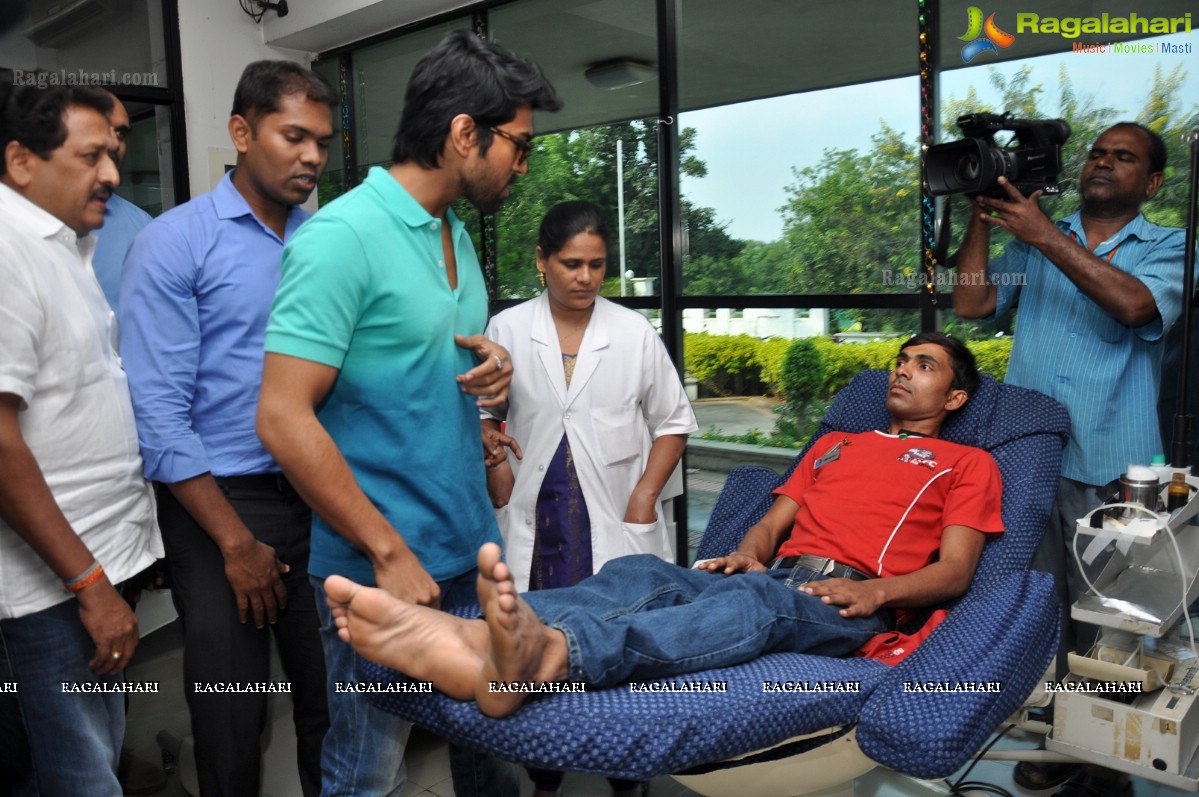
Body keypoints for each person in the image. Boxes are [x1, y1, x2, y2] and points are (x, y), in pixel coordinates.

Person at [322, 333, 1005, 720]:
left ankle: (553, 654)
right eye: (900, 359)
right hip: (772, 579)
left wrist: (878, 594)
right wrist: (744, 552)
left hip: (845, 600)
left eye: (924, 366)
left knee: (752, 603)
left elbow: (956, 570)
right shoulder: (836, 445)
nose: (901, 371)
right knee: (638, 572)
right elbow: (772, 522)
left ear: (953, 397)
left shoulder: (967, 462)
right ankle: (476, 632)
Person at [255, 29, 561, 797]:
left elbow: (418, 374)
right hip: (379, 569)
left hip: (470, 551)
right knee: (365, 774)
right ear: (464, 133)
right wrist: (388, 550)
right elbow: (283, 417)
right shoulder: (341, 238)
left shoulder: (454, 233)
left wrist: (492, 379)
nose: (521, 166)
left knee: (493, 755)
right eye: (516, 146)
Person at [951, 122, 1187, 795]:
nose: (1102, 162)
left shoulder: (1168, 246)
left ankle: (1099, 747)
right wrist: (981, 218)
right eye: (1096, 152)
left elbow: (1133, 305)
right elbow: (972, 301)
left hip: (1115, 465)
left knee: (1107, 620)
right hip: (1027, 459)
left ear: (1151, 181)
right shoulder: (1034, 232)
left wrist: (1042, 236)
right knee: (1036, 606)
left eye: (1123, 156)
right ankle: (1054, 732)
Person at [119, 61, 335, 797]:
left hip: (320, 496)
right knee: (232, 718)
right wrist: (236, 543)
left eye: (322, 142)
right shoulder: (176, 242)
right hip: (219, 504)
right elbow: (159, 414)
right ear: (241, 132)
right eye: (293, 136)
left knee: (333, 706)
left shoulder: (327, 242)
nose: (311, 156)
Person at [483, 200, 696, 796]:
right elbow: (485, 413)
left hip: (613, 514)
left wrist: (644, 497)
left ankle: (627, 779)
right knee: (538, 649)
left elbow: (673, 421)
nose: (585, 277)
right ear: (542, 262)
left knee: (619, 649)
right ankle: (544, 778)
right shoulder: (507, 329)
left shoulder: (631, 332)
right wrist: (492, 452)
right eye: (571, 263)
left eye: (597, 265)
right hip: (537, 515)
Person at [0, 84, 162, 796]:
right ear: (20, 161)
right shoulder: (6, 250)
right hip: (48, 589)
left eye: (114, 154)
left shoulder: (67, 244)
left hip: (89, 568)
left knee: (94, 759)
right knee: (77, 779)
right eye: (91, 155)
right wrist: (90, 585)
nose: (113, 174)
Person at [92, 92, 152, 315]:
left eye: (120, 133)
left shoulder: (142, 227)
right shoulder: (17, 226)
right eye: (101, 128)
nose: (113, 143)